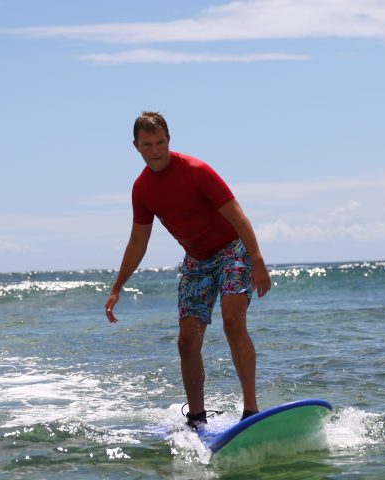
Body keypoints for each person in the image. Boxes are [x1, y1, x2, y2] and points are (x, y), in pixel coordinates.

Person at [104, 111, 271, 429]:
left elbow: (238, 217)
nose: (155, 150)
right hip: (196, 259)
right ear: (136, 146)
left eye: (161, 142)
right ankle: (196, 417)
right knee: (187, 341)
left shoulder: (196, 171)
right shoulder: (142, 190)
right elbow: (138, 242)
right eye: (148, 144)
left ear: (169, 140)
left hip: (232, 249)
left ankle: (251, 411)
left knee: (233, 322)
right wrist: (116, 287)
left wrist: (257, 260)